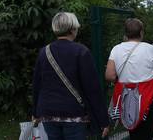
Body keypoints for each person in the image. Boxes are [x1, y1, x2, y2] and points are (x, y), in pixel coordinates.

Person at [32, 12, 109, 140]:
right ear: (72, 29)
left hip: (48, 112)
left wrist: (35, 112)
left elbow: (37, 85)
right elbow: (92, 89)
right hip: (74, 114)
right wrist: (103, 120)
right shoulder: (81, 52)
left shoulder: (44, 52)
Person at [105, 18, 153, 140]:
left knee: (133, 132)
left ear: (125, 34)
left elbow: (109, 76)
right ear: (141, 32)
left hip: (127, 99)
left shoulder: (116, 49)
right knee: (147, 134)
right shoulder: (150, 49)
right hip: (150, 99)